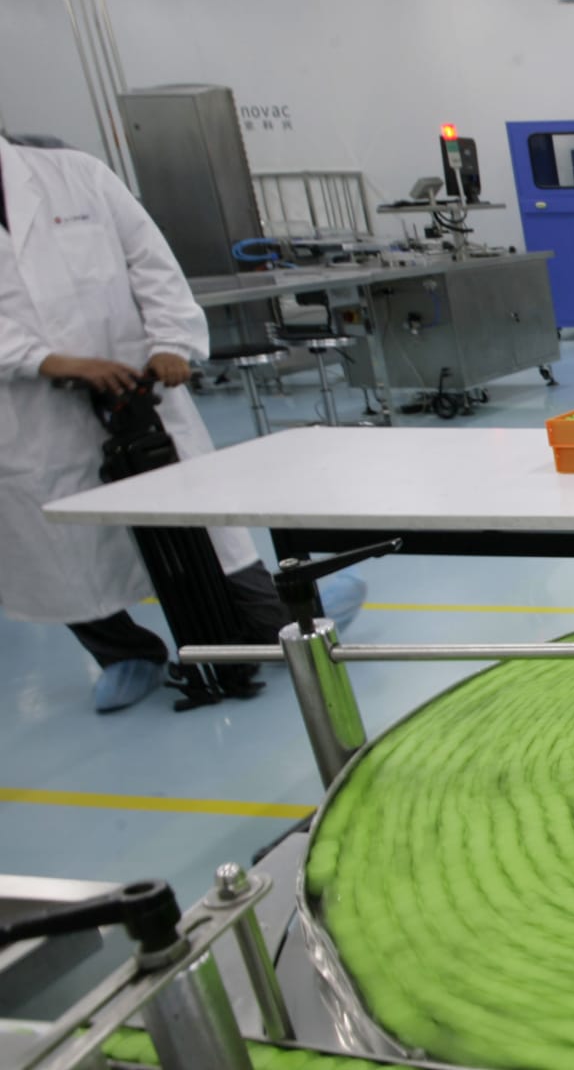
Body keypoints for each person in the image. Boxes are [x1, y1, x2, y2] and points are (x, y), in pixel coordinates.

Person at [0, 136, 352, 712]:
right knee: (60, 556)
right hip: (29, 416)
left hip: (143, 391)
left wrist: (172, 343)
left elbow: (152, 263)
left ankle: (294, 614)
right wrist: (44, 360)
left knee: (204, 539)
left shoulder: (77, 176)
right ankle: (125, 654)